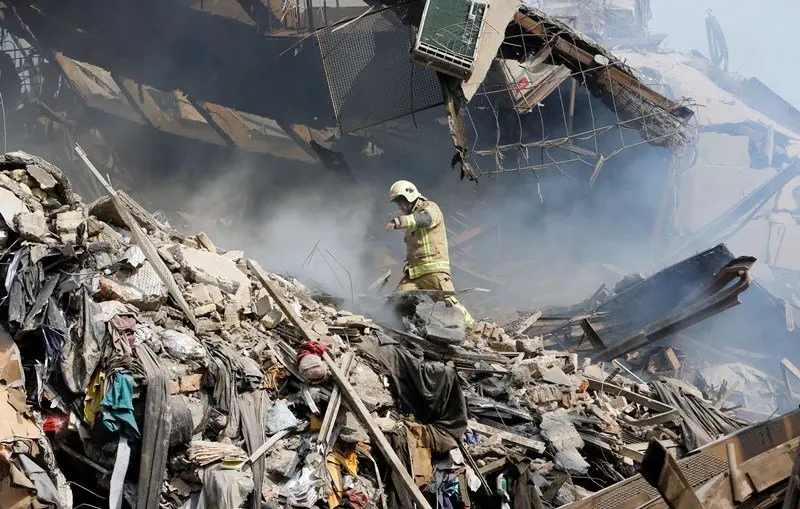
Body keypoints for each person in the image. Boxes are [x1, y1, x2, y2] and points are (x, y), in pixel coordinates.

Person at [385, 180, 474, 328]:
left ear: (410, 196)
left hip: (434, 272)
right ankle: (392, 333)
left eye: (401, 202)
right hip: (414, 275)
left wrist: (398, 221)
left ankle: (474, 331)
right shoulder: (412, 221)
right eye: (398, 204)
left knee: (450, 304)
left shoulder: (430, 208)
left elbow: (426, 219)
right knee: (395, 302)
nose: (399, 207)